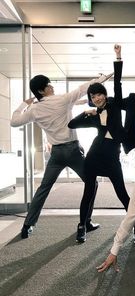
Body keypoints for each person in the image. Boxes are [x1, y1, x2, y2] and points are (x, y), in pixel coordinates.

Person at [11, 71, 112, 239]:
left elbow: (14, 122)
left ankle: (27, 225)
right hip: (73, 151)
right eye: (49, 85)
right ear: (42, 90)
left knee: (43, 188)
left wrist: (24, 104)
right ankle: (86, 222)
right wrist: (102, 78)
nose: (52, 86)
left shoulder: (34, 109)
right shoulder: (62, 99)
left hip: (56, 154)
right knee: (91, 183)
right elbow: (83, 88)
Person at [68, 44, 135, 245]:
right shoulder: (92, 116)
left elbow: (117, 81)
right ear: (91, 99)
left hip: (111, 158)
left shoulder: (115, 105)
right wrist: (86, 112)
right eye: (93, 97)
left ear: (104, 94)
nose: (97, 98)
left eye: (99, 94)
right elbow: (71, 124)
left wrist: (118, 57)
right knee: (88, 192)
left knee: (122, 194)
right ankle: (82, 227)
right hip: (93, 157)